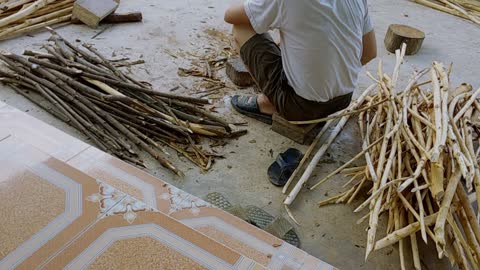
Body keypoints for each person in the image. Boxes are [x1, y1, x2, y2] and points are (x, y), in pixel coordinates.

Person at [224, 0, 377, 124]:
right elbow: (370, 53)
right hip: (342, 100)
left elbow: (230, 15)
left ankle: (268, 103)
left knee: (241, 27)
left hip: (300, 107)